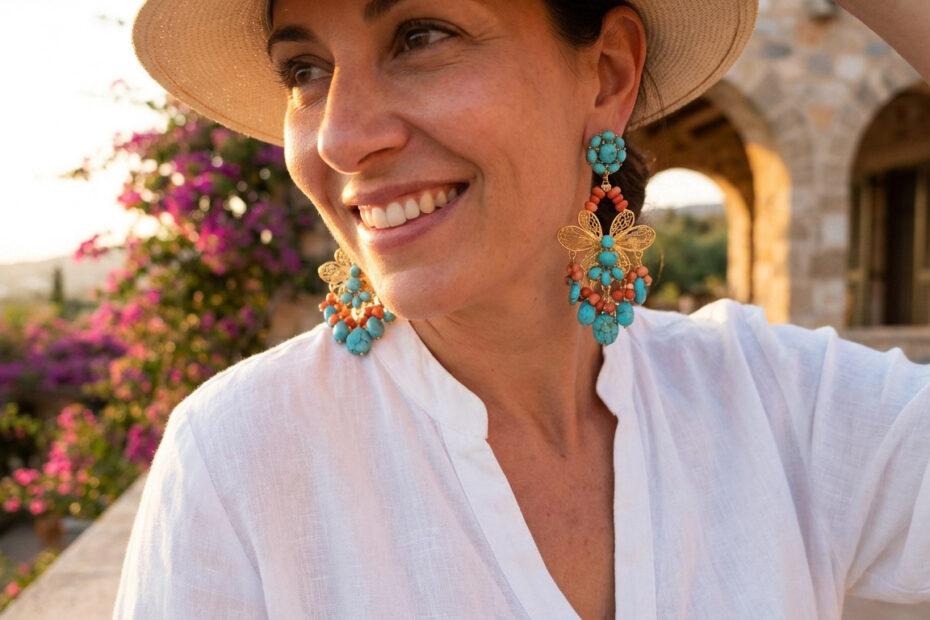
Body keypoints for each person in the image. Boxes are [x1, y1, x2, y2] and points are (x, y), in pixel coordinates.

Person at [116, 0, 930, 618]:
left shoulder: (778, 404)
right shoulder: (239, 459)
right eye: (304, 70)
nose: (340, 138)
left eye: (419, 35)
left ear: (607, 74)